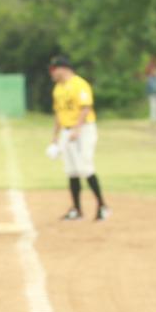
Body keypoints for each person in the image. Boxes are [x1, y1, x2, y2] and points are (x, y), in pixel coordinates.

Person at [49, 55, 109, 221]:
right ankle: (77, 209)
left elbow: (86, 107)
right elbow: (58, 114)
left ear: (63, 68)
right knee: (72, 170)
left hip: (83, 129)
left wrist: (77, 128)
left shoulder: (79, 84)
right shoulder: (58, 89)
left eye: (55, 69)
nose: (53, 73)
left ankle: (102, 206)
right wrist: (55, 136)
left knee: (85, 167)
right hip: (66, 132)